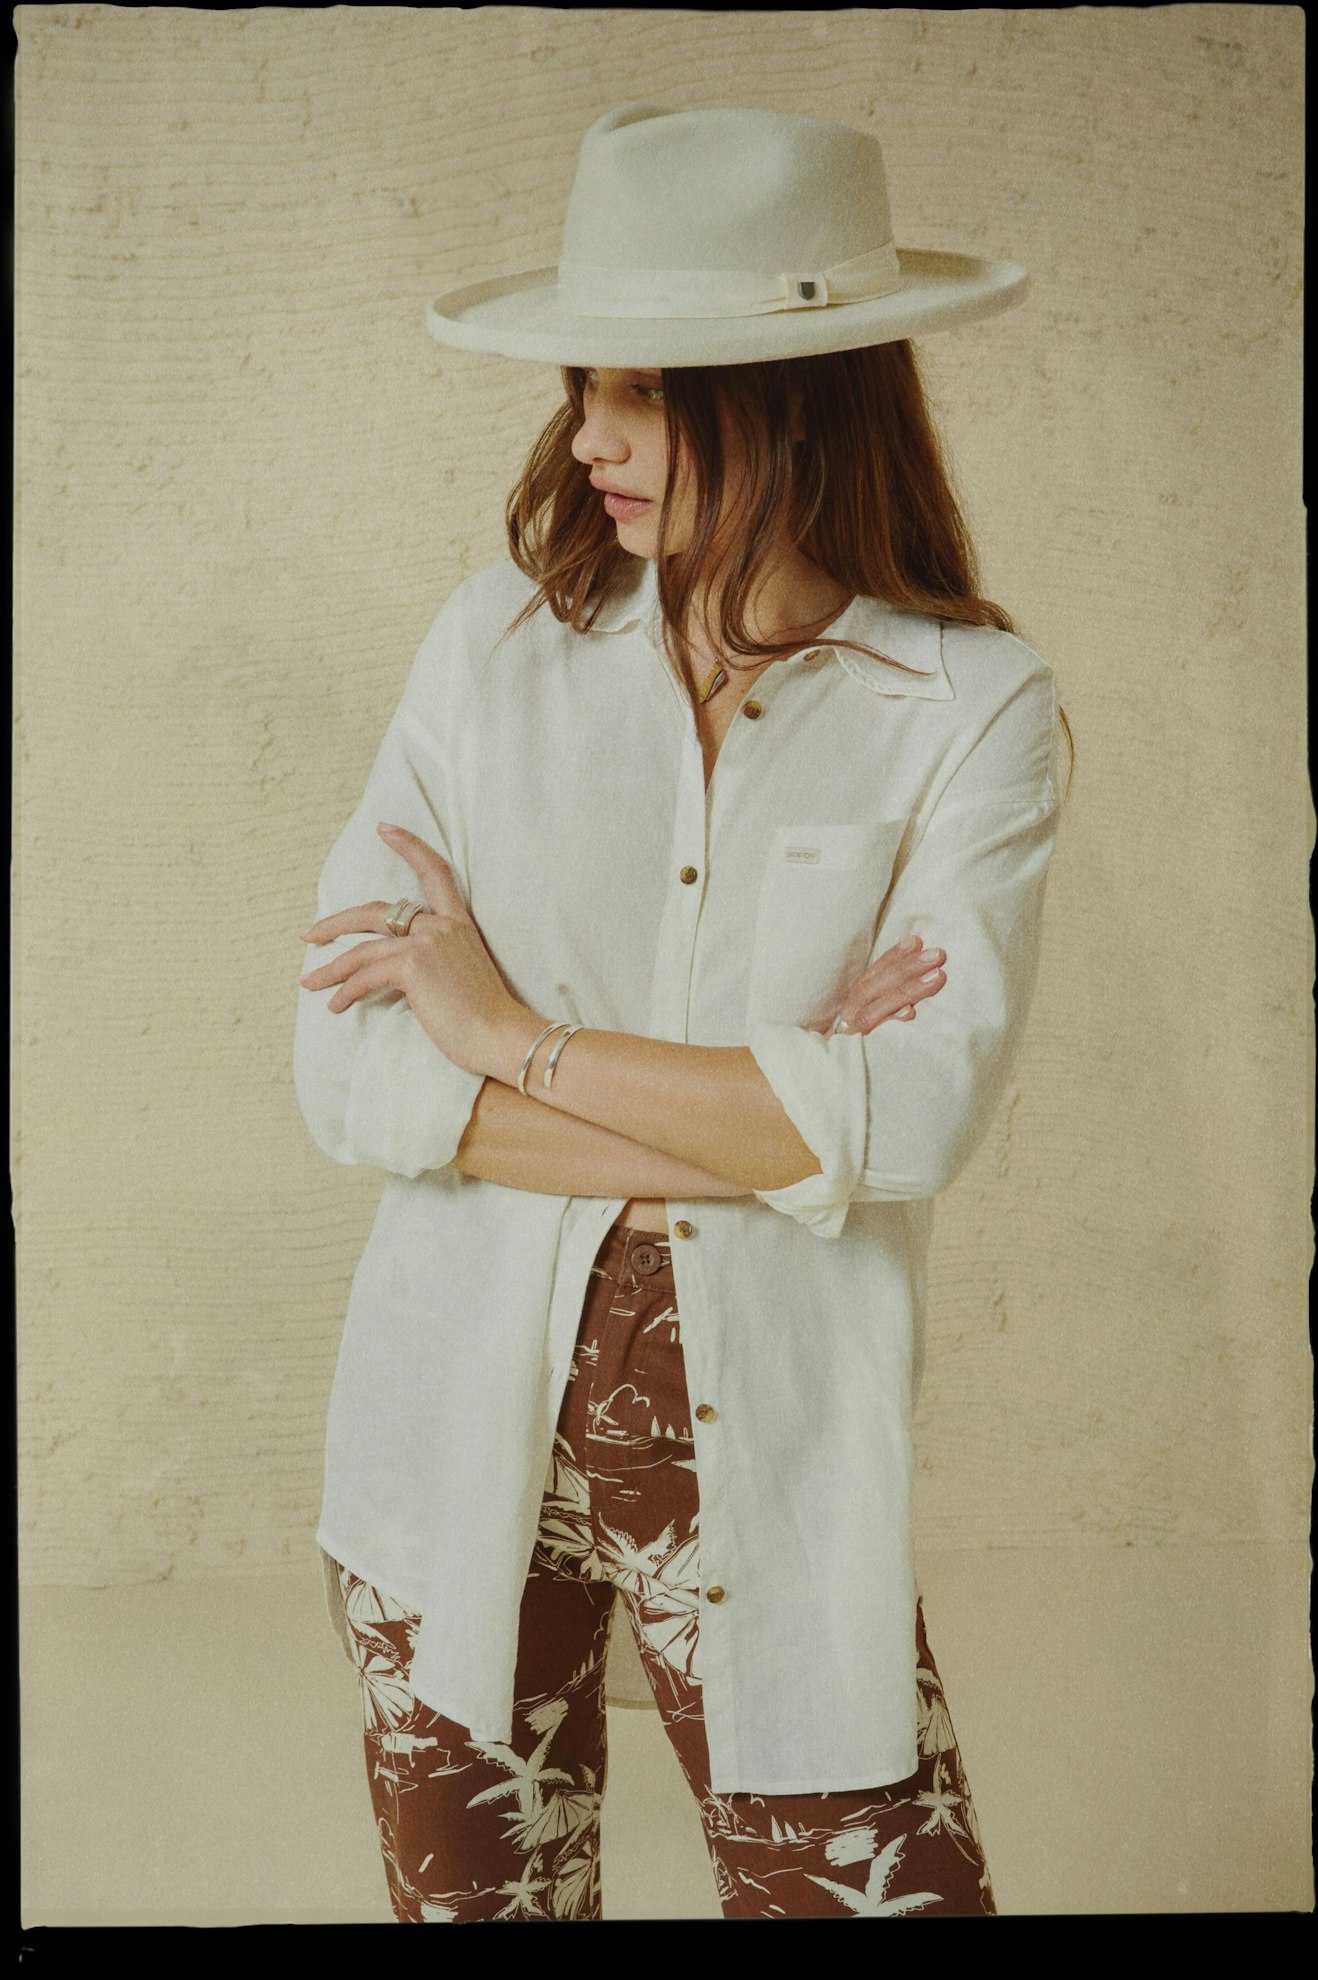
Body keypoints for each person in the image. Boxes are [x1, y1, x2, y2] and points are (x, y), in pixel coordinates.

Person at [294, 102, 1071, 1922]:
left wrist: (506, 1038)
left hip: (770, 1440)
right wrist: (777, 1122)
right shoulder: (491, 649)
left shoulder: (967, 704)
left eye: (641, 394)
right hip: (445, 1413)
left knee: (866, 1890)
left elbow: (915, 1117)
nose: (589, 436)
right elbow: (348, 1067)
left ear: (793, 404)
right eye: (586, 387)